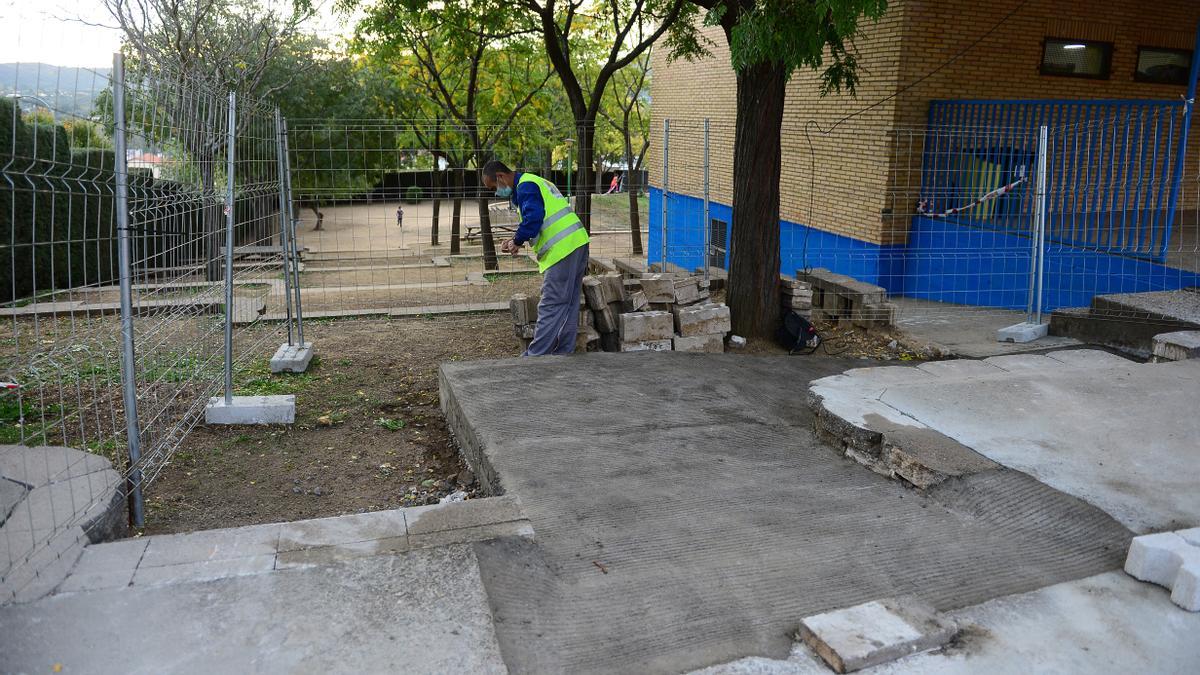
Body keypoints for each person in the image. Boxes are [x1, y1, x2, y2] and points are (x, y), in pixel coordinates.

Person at [482, 160, 590, 356]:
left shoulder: (525, 187)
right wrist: (517, 239)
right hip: (576, 242)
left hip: (562, 249)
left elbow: (534, 218)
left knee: (551, 303)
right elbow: (537, 220)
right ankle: (563, 351)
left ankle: (536, 356)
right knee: (569, 302)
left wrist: (517, 240)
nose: (495, 192)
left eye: (493, 187)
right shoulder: (532, 182)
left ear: (500, 177)